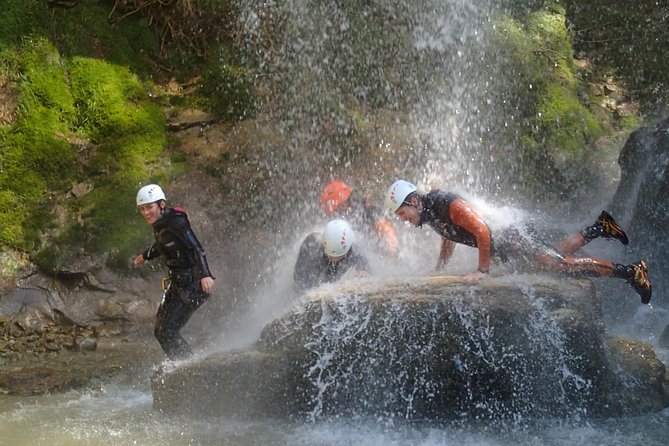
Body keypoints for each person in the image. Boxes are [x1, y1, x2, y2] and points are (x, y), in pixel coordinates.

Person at [384, 179, 652, 304]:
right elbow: (449, 235)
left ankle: (632, 272)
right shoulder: (429, 213)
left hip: (513, 236)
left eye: (402, 213)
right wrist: (440, 267)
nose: (403, 220)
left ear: (414, 201)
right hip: (508, 242)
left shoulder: (445, 203)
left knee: (560, 267)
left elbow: (482, 231)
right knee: (555, 257)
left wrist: (482, 271)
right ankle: (600, 227)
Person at [133, 184, 216, 360]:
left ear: (161, 204)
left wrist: (205, 274)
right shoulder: (160, 223)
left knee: (167, 331)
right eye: (142, 209)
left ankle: (188, 366)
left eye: (149, 207)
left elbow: (196, 248)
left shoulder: (176, 221)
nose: (146, 213)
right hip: (178, 283)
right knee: (160, 331)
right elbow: (163, 243)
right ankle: (180, 364)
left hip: (193, 283)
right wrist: (145, 256)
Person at [321, 180, 399, 259]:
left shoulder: (366, 211)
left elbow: (389, 236)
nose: (334, 215)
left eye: (335, 211)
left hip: (383, 255)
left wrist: (391, 257)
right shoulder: (349, 218)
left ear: (343, 205)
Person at [294, 219, 370, 292]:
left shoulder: (352, 249)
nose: (334, 259)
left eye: (338, 257)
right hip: (314, 269)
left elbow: (363, 263)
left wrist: (363, 270)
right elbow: (300, 280)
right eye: (331, 256)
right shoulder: (310, 247)